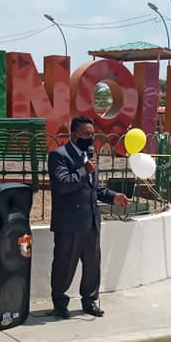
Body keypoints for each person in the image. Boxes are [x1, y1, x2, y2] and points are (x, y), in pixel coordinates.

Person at [48, 116, 130, 319]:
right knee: (64, 265)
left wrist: (113, 197)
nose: (91, 138)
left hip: (91, 220)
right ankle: (60, 303)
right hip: (69, 223)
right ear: (74, 135)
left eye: (93, 134)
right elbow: (62, 184)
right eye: (86, 134)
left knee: (92, 264)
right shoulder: (59, 155)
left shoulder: (90, 155)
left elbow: (94, 188)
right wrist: (85, 170)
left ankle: (90, 300)